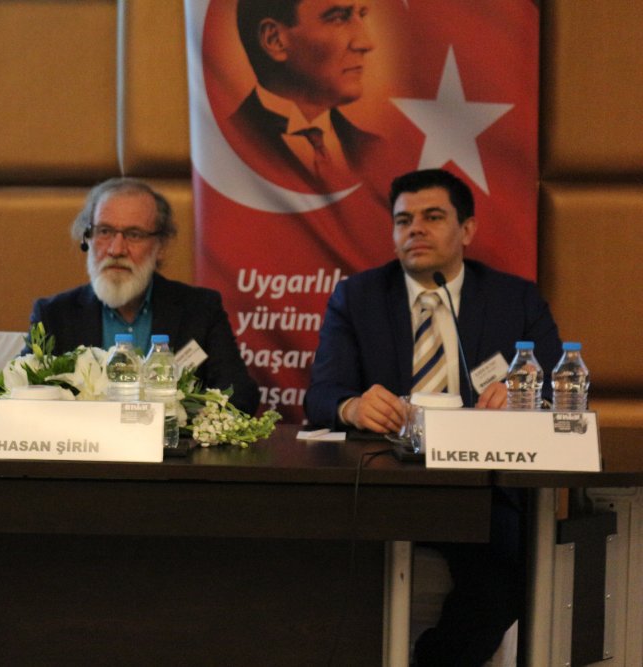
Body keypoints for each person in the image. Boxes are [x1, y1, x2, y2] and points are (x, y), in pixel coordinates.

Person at [305, 168, 562, 666]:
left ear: (467, 229)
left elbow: (555, 381)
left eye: (433, 217)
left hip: (482, 487)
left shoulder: (514, 299)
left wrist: (522, 396)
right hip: (383, 484)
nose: (415, 230)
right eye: (403, 221)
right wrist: (352, 406)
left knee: (507, 571)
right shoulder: (357, 297)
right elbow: (320, 395)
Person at [28, 177, 260, 415]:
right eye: (105, 231)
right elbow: (21, 395)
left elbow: (240, 395)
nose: (116, 249)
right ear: (87, 237)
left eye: (134, 234)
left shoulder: (200, 310)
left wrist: (182, 419)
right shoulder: (54, 315)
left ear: (160, 246)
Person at [229, 0, 386, 191]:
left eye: (361, 15)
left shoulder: (378, 152)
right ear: (275, 39)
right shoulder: (224, 153)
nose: (366, 43)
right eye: (338, 18)